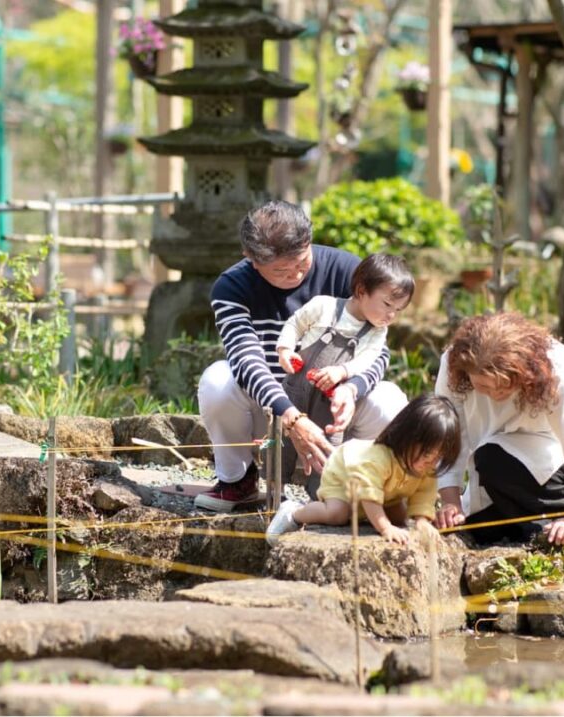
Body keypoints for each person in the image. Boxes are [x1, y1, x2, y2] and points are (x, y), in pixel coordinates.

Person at [196, 201, 408, 512]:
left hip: (336, 409)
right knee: (217, 380)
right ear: (251, 259)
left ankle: (361, 489)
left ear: (309, 242)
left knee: (390, 402)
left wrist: (352, 388)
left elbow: (379, 352)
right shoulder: (232, 286)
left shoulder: (349, 272)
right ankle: (237, 481)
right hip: (270, 410)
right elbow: (245, 361)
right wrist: (291, 417)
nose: (295, 275)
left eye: (302, 262)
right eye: (280, 270)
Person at [432, 313, 564, 546]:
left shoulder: (555, 366)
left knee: (492, 457)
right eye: (482, 385)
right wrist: (451, 501)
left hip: (562, 463)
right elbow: (450, 434)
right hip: (497, 473)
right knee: (481, 529)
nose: (493, 394)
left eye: (503, 386)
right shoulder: (453, 364)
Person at [275, 253, 414, 472]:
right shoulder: (324, 306)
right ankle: (273, 493)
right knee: (281, 447)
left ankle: (323, 501)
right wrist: (285, 349)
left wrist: (342, 371)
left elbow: (369, 359)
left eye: (398, 310)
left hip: (331, 402)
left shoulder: (377, 332)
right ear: (361, 291)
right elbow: (295, 324)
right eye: (387, 304)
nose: (391, 315)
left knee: (328, 453)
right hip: (296, 391)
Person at [266, 394, 461, 546]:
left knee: (400, 518)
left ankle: (370, 514)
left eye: (437, 457)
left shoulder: (426, 467)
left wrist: (422, 521)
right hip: (344, 475)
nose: (430, 462)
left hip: (384, 491)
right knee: (337, 514)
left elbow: (423, 494)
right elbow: (368, 493)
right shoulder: (379, 458)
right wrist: (385, 528)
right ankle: (294, 511)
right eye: (426, 454)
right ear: (408, 437)